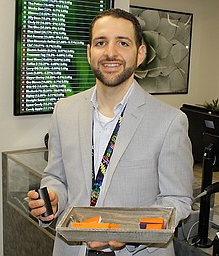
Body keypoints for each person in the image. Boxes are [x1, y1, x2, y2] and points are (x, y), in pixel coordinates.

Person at [28, 8, 194, 256]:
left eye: (123, 43)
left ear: (140, 54)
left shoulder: (170, 121)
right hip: (72, 249)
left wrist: (129, 233)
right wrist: (53, 198)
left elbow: (177, 201)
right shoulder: (64, 111)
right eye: (101, 43)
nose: (110, 53)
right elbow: (56, 177)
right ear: (89, 52)